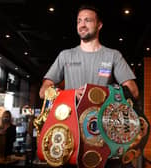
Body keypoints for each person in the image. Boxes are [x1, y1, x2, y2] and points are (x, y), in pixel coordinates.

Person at [39, 3, 139, 168]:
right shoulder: (66, 56)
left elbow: (133, 91)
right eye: (79, 21)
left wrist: (96, 94)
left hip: (104, 134)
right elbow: (44, 91)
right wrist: (70, 94)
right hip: (69, 135)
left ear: (99, 25)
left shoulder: (113, 56)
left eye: (87, 20)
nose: (82, 25)